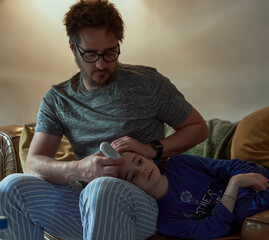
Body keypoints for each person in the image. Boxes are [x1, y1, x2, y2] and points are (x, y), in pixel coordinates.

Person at [0, 1, 208, 240]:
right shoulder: (57, 99)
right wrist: (80, 169)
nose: (101, 64)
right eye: (90, 54)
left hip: (144, 203)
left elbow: (197, 128)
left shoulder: (147, 82)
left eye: (110, 52)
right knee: (11, 186)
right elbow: (35, 164)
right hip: (85, 199)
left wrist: (152, 149)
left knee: (102, 188)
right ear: (73, 47)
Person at [116, 151, 269, 240]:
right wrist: (232, 187)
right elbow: (212, 230)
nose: (141, 170)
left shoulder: (180, 163)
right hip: (240, 193)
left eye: (139, 161)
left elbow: (230, 167)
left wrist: (238, 180)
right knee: (242, 210)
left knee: (243, 208)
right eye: (132, 176)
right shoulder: (166, 221)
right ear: (132, 189)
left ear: (148, 156)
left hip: (252, 177)